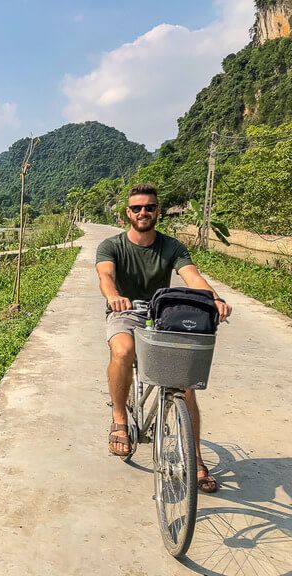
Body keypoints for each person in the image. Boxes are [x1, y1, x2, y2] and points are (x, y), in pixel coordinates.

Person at [95, 183, 232, 493]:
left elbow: (192, 277)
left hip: (162, 314)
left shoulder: (172, 247)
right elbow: (105, 276)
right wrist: (115, 296)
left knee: (186, 384)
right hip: (126, 310)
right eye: (137, 208)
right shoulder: (111, 245)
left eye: (149, 207)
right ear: (127, 213)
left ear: (158, 211)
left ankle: (195, 458)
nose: (143, 212)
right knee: (123, 349)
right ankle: (119, 418)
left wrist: (214, 298)